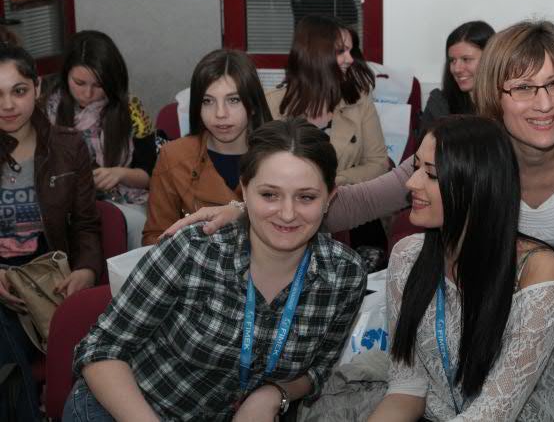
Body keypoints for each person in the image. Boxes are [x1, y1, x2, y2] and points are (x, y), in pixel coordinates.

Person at [169, 20, 554, 421]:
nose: (543, 104)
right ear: (494, 94)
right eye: (522, 87)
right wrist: (249, 210)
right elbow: (364, 200)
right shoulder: (467, 149)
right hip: (507, 276)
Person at [64, 118, 367, 422]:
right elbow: (101, 349)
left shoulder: (344, 275)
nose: (287, 214)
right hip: (127, 410)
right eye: (269, 195)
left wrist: (273, 393)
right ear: (244, 191)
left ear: (329, 198)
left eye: (306, 197)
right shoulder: (193, 250)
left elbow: (318, 369)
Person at [369, 116, 554, 421]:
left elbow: (496, 411)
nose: (412, 183)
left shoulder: (538, 272)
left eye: (431, 174)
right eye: (416, 168)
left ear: (477, 186)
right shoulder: (407, 256)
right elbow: (406, 387)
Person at [0, 44, 102, 421]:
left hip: (48, 280)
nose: (8, 105)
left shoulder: (67, 146)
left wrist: (86, 270)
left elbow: (87, 224)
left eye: (18, 91)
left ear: (37, 87)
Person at [141, 49, 271, 245]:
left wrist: (242, 211)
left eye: (233, 100)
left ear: (253, 104)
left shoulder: (279, 156)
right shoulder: (173, 156)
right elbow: (155, 237)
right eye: (207, 101)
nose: (220, 113)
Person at [44, 30, 158, 248]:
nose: (87, 94)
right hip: (65, 203)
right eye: (79, 83)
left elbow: (151, 176)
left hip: (124, 201)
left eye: (98, 85)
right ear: (66, 75)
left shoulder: (131, 109)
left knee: (135, 225)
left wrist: (121, 173)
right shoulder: (48, 107)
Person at [267, 14, 388, 186]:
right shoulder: (271, 104)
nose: (350, 59)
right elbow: (258, 168)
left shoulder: (359, 100)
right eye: (340, 51)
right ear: (314, 56)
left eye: (350, 51)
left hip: (344, 198)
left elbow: (378, 163)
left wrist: (333, 182)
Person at [418, 21, 495, 136]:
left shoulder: (510, 103)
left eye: (466, 59)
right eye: (452, 60)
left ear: (491, 59)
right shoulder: (440, 105)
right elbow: (424, 146)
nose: (457, 69)